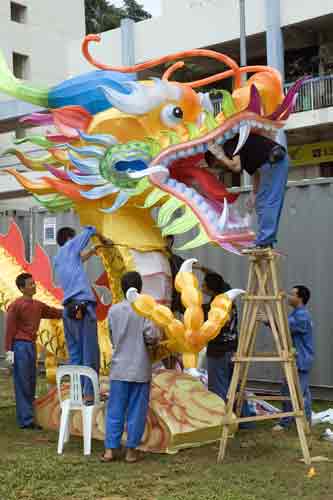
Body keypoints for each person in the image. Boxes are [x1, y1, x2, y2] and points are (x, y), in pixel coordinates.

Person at [102, 271, 159, 463]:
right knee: (136, 411)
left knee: (115, 409)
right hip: (140, 369)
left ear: (122, 287)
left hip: (119, 368)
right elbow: (151, 336)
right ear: (140, 288)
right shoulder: (145, 310)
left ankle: (110, 450)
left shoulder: (114, 310)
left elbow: (111, 336)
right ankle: (131, 451)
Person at [53, 226, 110, 403]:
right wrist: (102, 238)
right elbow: (89, 231)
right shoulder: (71, 247)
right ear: (70, 238)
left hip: (68, 311)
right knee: (90, 352)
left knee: (76, 354)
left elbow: (78, 259)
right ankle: (90, 393)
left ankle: (76, 393)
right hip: (83, 308)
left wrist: (92, 252)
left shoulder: (58, 258)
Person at [209, 133, 289, 248]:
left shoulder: (231, 144)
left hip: (274, 161)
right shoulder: (241, 148)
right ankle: (266, 240)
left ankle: (265, 242)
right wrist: (254, 193)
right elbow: (256, 173)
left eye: (217, 164)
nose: (222, 166)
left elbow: (235, 167)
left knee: (267, 202)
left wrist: (221, 155)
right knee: (263, 202)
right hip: (273, 162)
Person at [4, 273, 63, 429]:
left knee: (31, 380)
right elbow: (10, 329)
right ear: (22, 288)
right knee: (22, 381)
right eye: (30, 284)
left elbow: (54, 312)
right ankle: (26, 420)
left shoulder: (37, 305)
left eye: (34, 283)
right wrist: (9, 350)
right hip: (20, 346)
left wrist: (72, 310)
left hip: (30, 345)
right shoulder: (15, 306)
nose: (34, 286)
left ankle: (29, 416)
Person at [203, 271, 254, 424]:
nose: (201, 286)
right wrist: (204, 269)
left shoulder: (212, 307)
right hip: (233, 349)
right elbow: (221, 282)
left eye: (204, 284)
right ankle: (244, 419)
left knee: (218, 388)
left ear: (211, 288)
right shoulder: (228, 299)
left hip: (218, 352)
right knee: (236, 386)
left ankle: (222, 421)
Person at [273, 285, 314, 431]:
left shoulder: (301, 315)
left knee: (294, 393)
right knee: (299, 392)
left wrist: (269, 318)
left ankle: (288, 422)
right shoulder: (297, 313)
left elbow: (285, 326)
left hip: (300, 359)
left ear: (300, 298)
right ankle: (304, 421)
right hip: (298, 358)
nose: (289, 297)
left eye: (292, 294)